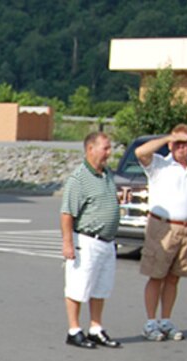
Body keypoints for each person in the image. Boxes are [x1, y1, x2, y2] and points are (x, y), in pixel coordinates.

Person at [59, 131, 122, 349]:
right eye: (105, 148)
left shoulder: (107, 174)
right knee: (78, 286)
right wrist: (67, 243)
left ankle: (96, 327)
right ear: (90, 149)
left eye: (109, 147)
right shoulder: (79, 178)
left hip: (106, 241)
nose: (109, 152)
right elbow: (67, 213)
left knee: (100, 287)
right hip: (86, 240)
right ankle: (74, 329)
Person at [135, 124, 187, 341]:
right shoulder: (159, 164)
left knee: (173, 277)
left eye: (185, 143)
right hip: (162, 226)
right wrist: (170, 136)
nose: (181, 148)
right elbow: (141, 152)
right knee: (156, 275)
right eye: (177, 143)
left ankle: (166, 319)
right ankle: (151, 322)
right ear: (170, 144)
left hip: (186, 228)